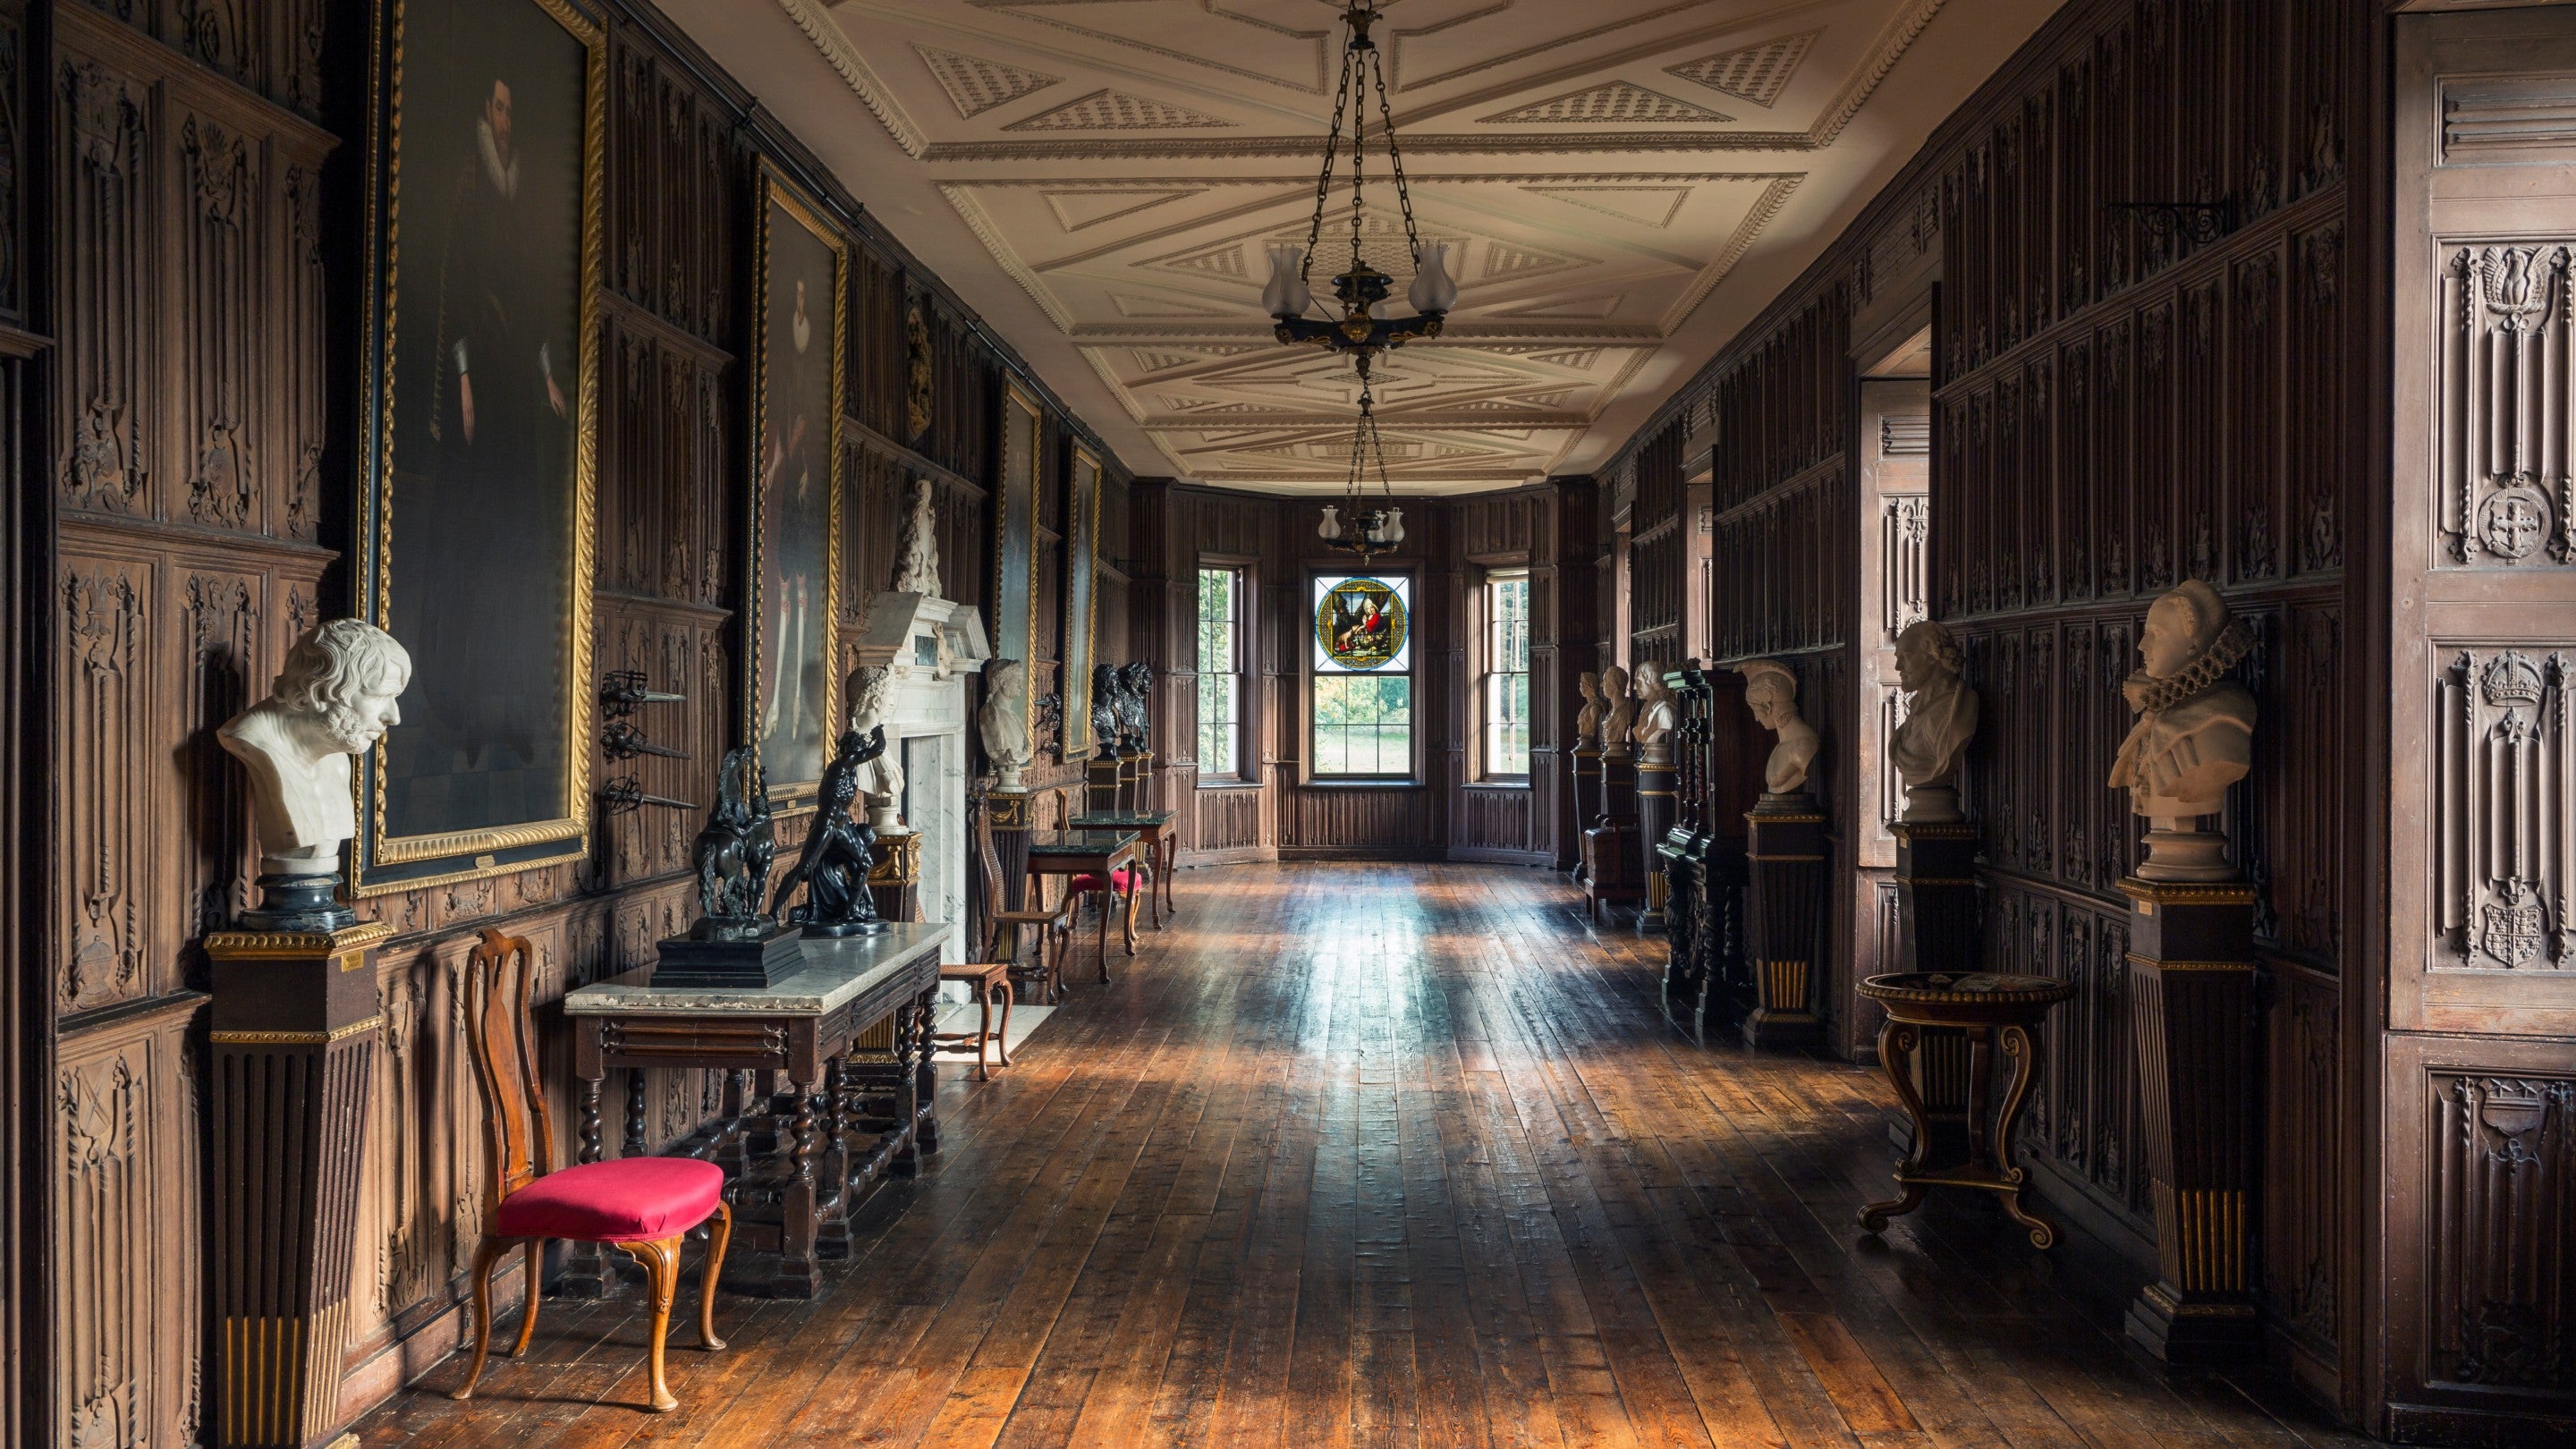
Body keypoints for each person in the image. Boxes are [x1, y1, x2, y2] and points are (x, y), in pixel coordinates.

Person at [220, 620, 413, 878]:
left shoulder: (335, 756)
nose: (394, 717)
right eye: (378, 697)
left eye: (394, 699)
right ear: (320, 692)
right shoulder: (253, 741)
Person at [1887, 621, 1979, 821]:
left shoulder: (1957, 707)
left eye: (1906, 657)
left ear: (1932, 656)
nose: (1898, 666)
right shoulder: (1918, 709)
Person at [1739, 660, 1818, 797]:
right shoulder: (1781, 747)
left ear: (1768, 708)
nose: (1757, 718)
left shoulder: (1804, 746)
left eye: (1755, 710)